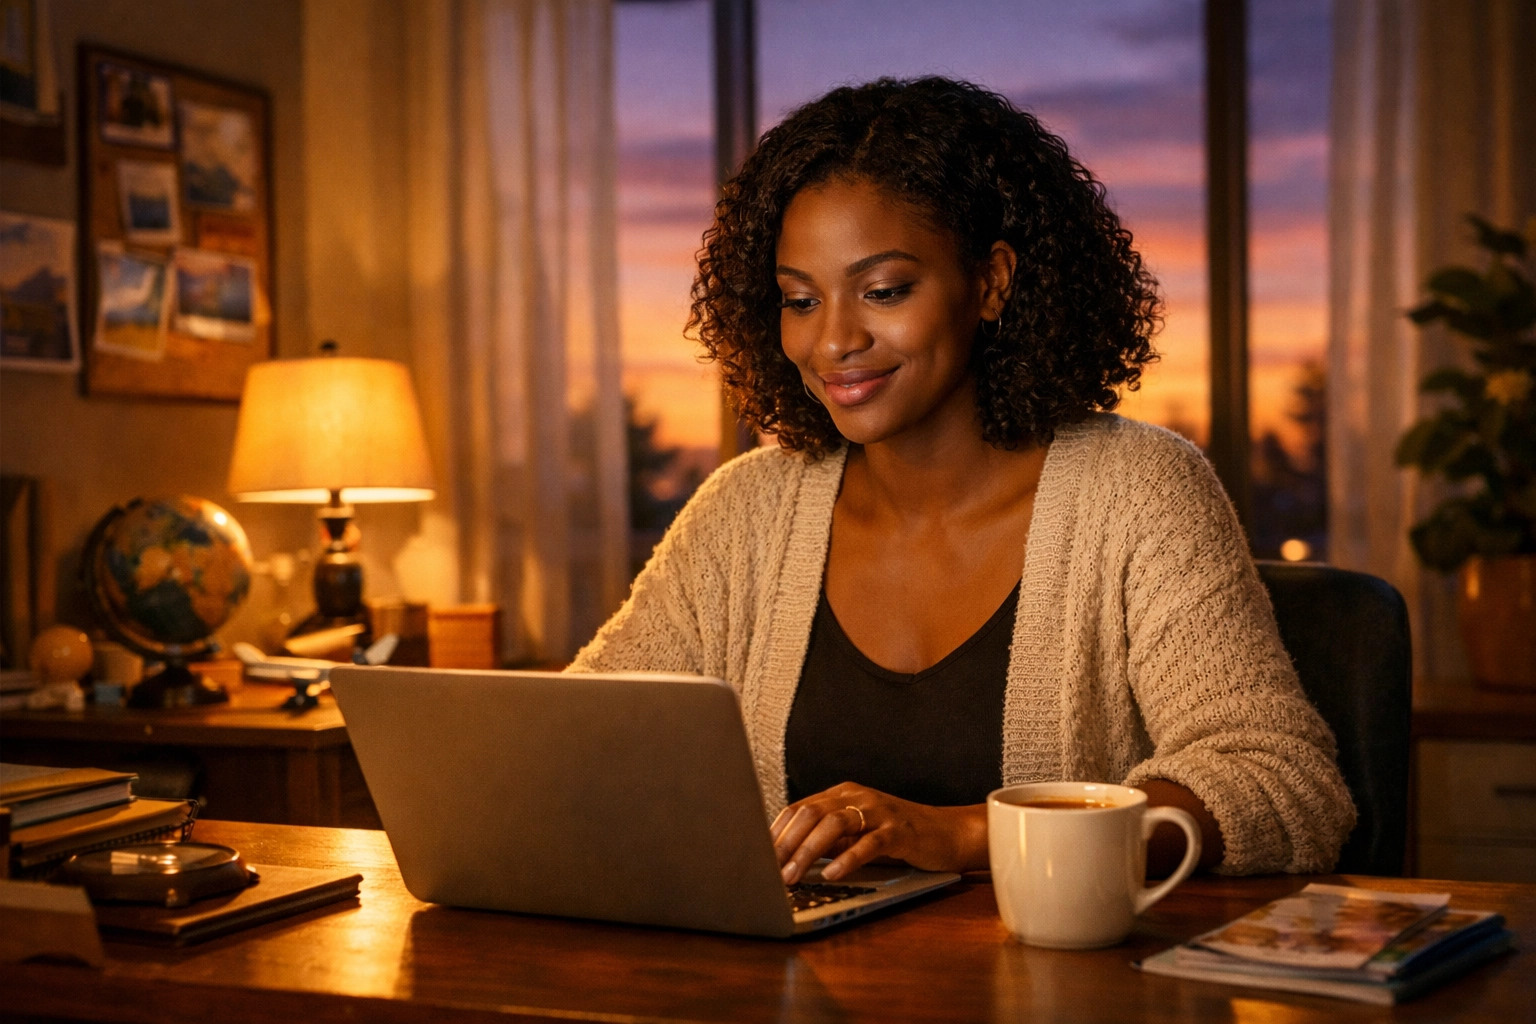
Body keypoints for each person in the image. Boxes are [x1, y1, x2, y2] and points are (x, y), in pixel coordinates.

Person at [570, 77, 1354, 885]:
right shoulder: (747, 511)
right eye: (799, 299)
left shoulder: (1138, 493)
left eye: (884, 292)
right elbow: (579, 738)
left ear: (991, 282)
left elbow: (1284, 783)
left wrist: (966, 835)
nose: (834, 339)